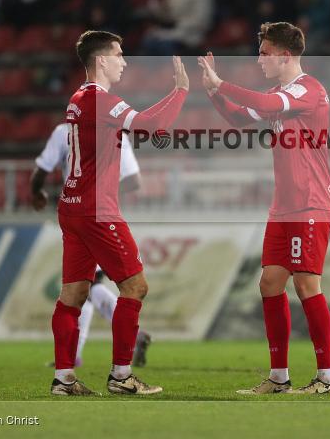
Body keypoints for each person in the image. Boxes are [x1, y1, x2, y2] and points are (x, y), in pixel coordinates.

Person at [198, 22, 330, 394]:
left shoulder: (310, 91)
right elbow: (241, 117)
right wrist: (214, 93)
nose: (258, 59)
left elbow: (263, 104)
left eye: (264, 52)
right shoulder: (281, 93)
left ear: (285, 56)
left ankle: (327, 378)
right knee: (270, 283)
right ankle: (279, 378)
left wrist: (222, 83)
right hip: (284, 205)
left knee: (307, 284)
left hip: (310, 201)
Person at [50, 31, 188, 396]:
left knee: (74, 295)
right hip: (97, 210)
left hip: (72, 207)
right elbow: (150, 126)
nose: (124, 61)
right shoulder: (98, 99)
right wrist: (180, 91)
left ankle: (64, 379)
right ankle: (121, 376)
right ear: (101, 61)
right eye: (119, 54)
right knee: (135, 286)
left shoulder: (78, 98)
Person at [31, 126, 151, 369]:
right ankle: (86, 354)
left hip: (79, 216)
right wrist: (104, 191)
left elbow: (41, 171)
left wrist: (37, 193)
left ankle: (76, 358)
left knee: (83, 288)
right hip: (104, 215)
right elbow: (134, 181)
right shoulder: (115, 131)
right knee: (87, 287)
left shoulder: (65, 131)